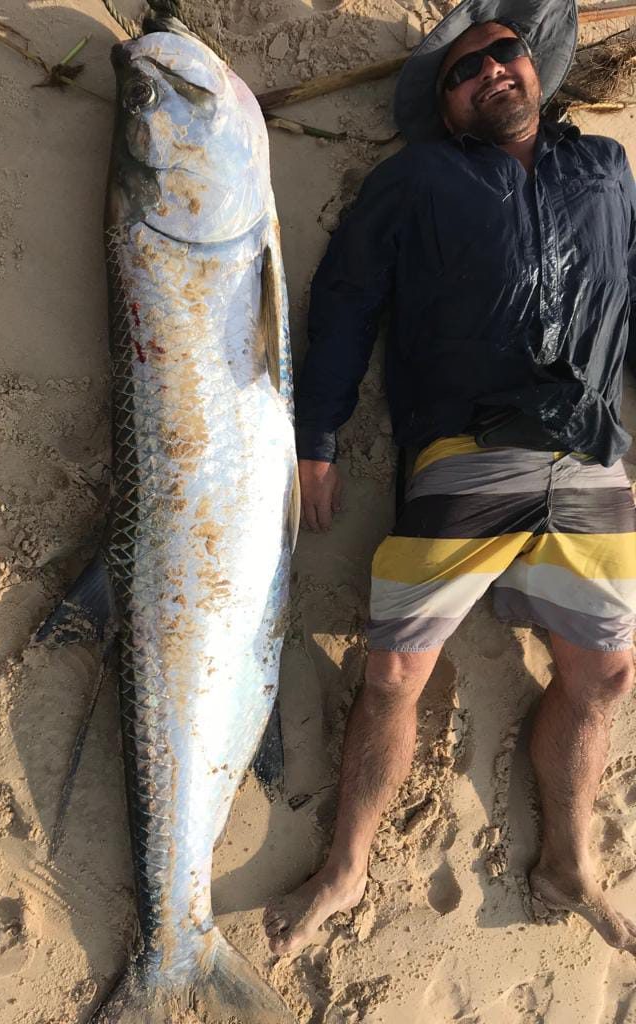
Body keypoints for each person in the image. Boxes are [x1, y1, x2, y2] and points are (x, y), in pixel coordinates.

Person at [264, 0, 636, 958]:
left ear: (536, 67)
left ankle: (568, 861)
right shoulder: (415, 177)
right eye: (463, 74)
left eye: (503, 53)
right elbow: (344, 299)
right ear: (447, 109)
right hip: (465, 451)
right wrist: (319, 434)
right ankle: (346, 865)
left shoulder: (605, 170)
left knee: (605, 675)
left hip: (594, 453)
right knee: (393, 671)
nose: (490, 73)